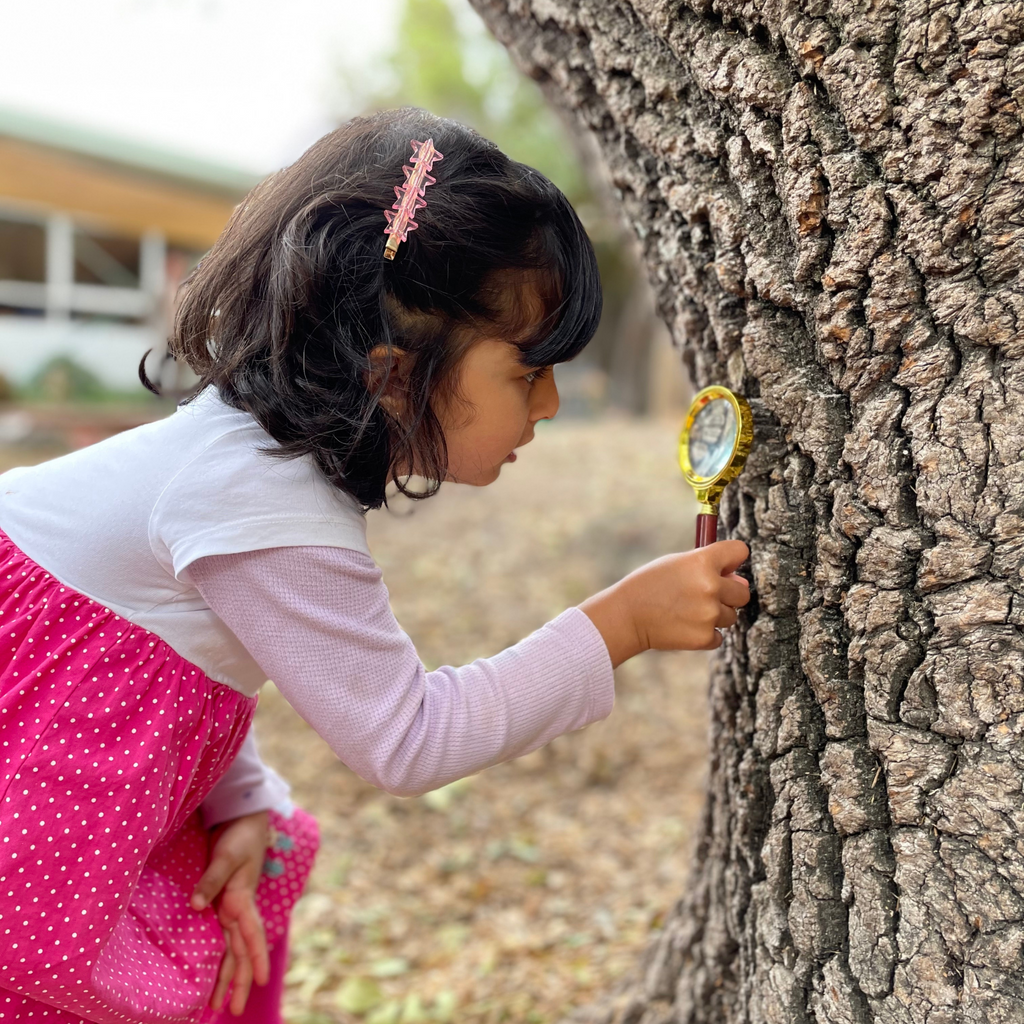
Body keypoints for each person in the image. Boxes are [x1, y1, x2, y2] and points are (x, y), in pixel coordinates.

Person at [0, 107, 750, 1024]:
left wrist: (237, 792)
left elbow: (158, 645)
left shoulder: (252, 462)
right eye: (527, 372)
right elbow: (407, 737)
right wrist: (621, 623)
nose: (550, 405)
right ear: (393, 376)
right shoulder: (264, 500)